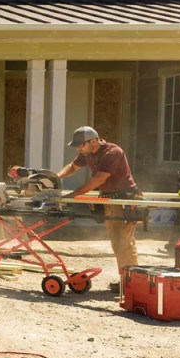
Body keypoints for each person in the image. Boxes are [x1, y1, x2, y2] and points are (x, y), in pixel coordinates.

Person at [57, 126, 143, 293]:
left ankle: (131, 283)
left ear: (93, 141)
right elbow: (73, 167)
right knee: (116, 240)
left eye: (81, 145)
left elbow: (99, 179)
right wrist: (56, 177)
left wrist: (74, 195)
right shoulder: (88, 153)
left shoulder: (113, 152)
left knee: (124, 242)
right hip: (110, 198)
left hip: (125, 199)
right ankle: (126, 280)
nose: (79, 149)